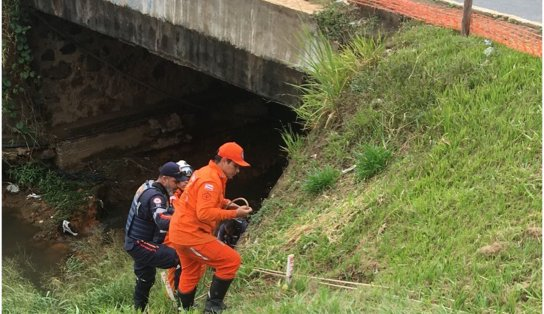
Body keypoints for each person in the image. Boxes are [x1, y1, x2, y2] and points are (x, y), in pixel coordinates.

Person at [169, 142, 253, 313]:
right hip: (190, 234)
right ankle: (212, 308)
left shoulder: (205, 172)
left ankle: (184, 310)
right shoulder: (211, 180)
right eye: (236, 166)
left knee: (190, 273)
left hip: (180, 232)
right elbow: (204, 213)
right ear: (225, 161)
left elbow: (205, 199)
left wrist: (228, 204)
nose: (237, 171)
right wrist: (235, 213)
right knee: (231, 261)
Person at [124, 161, 193, 311]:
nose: (177, 185)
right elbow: (161, 220)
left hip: (134, 240)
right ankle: (183, 304)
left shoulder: (148, 186)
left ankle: (139, 310)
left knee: (145, 279)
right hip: (140, 243)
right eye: (175, 181)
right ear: (165, 178)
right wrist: (186, 220)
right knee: (182, 259)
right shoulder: (156, 196)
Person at [162, 160, 194, 301]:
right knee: (175, 264)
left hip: (184, 234)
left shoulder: (186, 193)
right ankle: (173, 295)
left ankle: (183, 292)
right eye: (183, 179)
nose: (186, 181)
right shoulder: (172, 196)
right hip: (172, 236)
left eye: (188, 178)